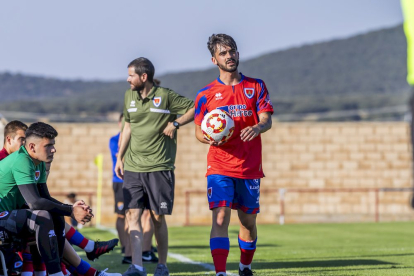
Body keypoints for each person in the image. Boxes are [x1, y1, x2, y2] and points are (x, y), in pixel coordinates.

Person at [194, 34, 273, 276]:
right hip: (219, 166)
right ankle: (220, 272)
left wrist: (257, 127)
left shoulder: (256, 86)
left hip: (249, 166)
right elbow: (198, 129)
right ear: (214, 59)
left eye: (232, 52)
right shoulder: (205, 94)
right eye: (223, 53)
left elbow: (267, 120)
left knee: (248, 222)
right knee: (219, 218)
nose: (229, 56)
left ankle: (245, 267)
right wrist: (206, 137)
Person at [0, 122, 120, 276]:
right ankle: (58, 273)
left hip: (8, 217)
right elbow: (34, 202)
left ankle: (59, 271)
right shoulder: (21, 160)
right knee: (42, 216)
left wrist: (71, 208)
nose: (53, 149)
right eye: (48, 145)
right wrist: (71, 211)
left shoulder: (38, 162)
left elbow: (45, 198)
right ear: (31, 147)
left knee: (54, 214)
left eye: (53, 144)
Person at [115, 57, 195, 276]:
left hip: (160, 167)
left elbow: (195, 107)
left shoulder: (166, 96)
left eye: (131, 75)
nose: (127, 79)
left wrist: (176, 123)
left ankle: (162, 265)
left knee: (157, 217)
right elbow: (128, 127)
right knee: (132, 214)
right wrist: (119, 158)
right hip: (133, 167)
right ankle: (137, 265)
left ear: (144, 77)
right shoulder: (129, 96)